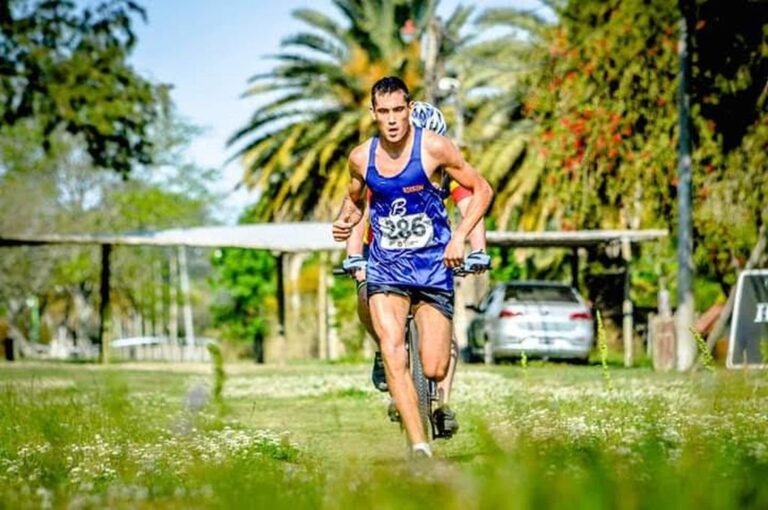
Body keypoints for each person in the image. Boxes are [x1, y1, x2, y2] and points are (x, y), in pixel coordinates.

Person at [332, 76, 493, 457]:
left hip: (433, 265)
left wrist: (460, 238)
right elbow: (355, 202)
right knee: (392, 348)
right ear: (373, 113)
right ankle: (419, 446)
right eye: (383, 111)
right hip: (386, 266)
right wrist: (343, 221)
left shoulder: (434, 148)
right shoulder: (360, 157)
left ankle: (434, 399)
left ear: (409, 110)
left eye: (398, 110)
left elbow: (481, 190)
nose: (391, 119)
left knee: (435, 367)